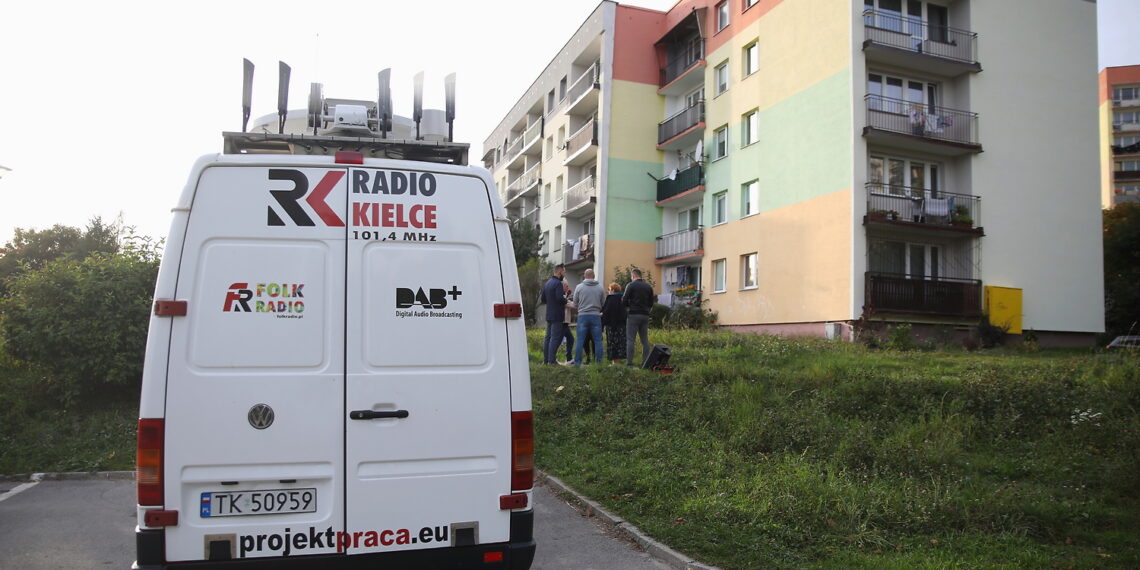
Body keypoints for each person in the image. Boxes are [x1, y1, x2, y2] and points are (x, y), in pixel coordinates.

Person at [571, 268, 606, 366]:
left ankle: (577, 363)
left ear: (584, 276)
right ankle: (599, 364)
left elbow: (575, 303)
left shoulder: (579, 287)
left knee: (580, 340)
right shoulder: (600, 287)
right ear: (594, 276)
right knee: (598, 341)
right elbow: (604, 303)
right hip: (596, 316)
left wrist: (581, 309)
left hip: (582, 316)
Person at [623, 268, 654, 366]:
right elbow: (651, 302)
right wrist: (646, 309)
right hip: (645, 315)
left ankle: (629, 363)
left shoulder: (631, 285)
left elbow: (624, 300)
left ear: (633, 276)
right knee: (645, 340)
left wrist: (629, 307)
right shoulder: (648, 286)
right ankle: (645, 362)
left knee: (631, 339)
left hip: (633, 314)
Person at [542, 264, 567, 365]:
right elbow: (559, 298)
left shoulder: (547, 283)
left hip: (549, 313)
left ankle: (546, 360)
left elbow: (543, 299)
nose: (564, 275)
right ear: (559, 272)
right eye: (564, 272)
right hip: (557, 314)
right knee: (554, 337)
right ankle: (552, 361)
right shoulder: (558, 283)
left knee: (547, 337)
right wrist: (566, 300)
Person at [600, 282, 627, 364]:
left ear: (612, 290)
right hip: (621, 325)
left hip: (611, 325)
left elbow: (606, 311)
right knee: (620, 343)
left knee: (612, 343)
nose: (608, 291)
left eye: (608, 289)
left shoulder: (610, 298)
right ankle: (618, 361)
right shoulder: (623, 298)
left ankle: (615, 362)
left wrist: (601, 314)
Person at [560, 281, 575, 364]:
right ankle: (551, 359)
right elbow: (570, 305)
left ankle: (569, 359)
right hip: (563, 321)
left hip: (565, 322)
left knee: (570, 339)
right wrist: (575, 302)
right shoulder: (561, 295)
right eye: (566, 286)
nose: (568, 288)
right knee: (558, 340)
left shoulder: (564, 295)